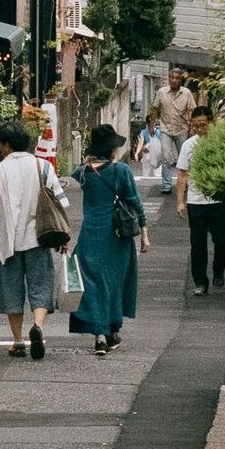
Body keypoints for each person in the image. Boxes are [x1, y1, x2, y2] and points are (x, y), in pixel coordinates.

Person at [0, 119, 71, 358]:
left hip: (8, 244)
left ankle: (18, 341)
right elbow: (59, 203)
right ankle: (37, 326)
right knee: (41, 285)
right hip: (39, 238)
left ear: (5, 145)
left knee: (11, 291)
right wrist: (63, 235)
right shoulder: (43, 167)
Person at [69, 123, 149, 356]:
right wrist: (144, 233)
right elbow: (135, 202)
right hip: (116, 237)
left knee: (93, 284)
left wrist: (88, 159)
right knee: (115, 282)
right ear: (112, 148)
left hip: (90, 236)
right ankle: (112, 331)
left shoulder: (82, 172)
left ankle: (101, 336)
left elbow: (75, 171)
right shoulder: (121, 171)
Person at [175, 106, 225, 296]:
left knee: (223, 241)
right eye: (196, 126)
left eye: (203, 125)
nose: (200, 129)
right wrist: (180, 201)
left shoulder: (223, 142)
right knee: (198, 244)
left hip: (219, 200)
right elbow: (182, 174)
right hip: (196, 202)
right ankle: (200, 281)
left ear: (212, 122)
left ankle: (218, 270)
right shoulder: (188, 145)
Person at [149, 69, 197, 194]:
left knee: (185, 156)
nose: (174, 80)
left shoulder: (186, 93)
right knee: (166, 158)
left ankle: (186, 183)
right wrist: (151, 125)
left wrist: (193, 127)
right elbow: (155, 108)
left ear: (181, 80)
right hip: (166, 129)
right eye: (172, 77)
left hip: (182, 129)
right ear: (169, 78)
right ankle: (166, 185)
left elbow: (192, 110)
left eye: (177, 78)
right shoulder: (161, 92)